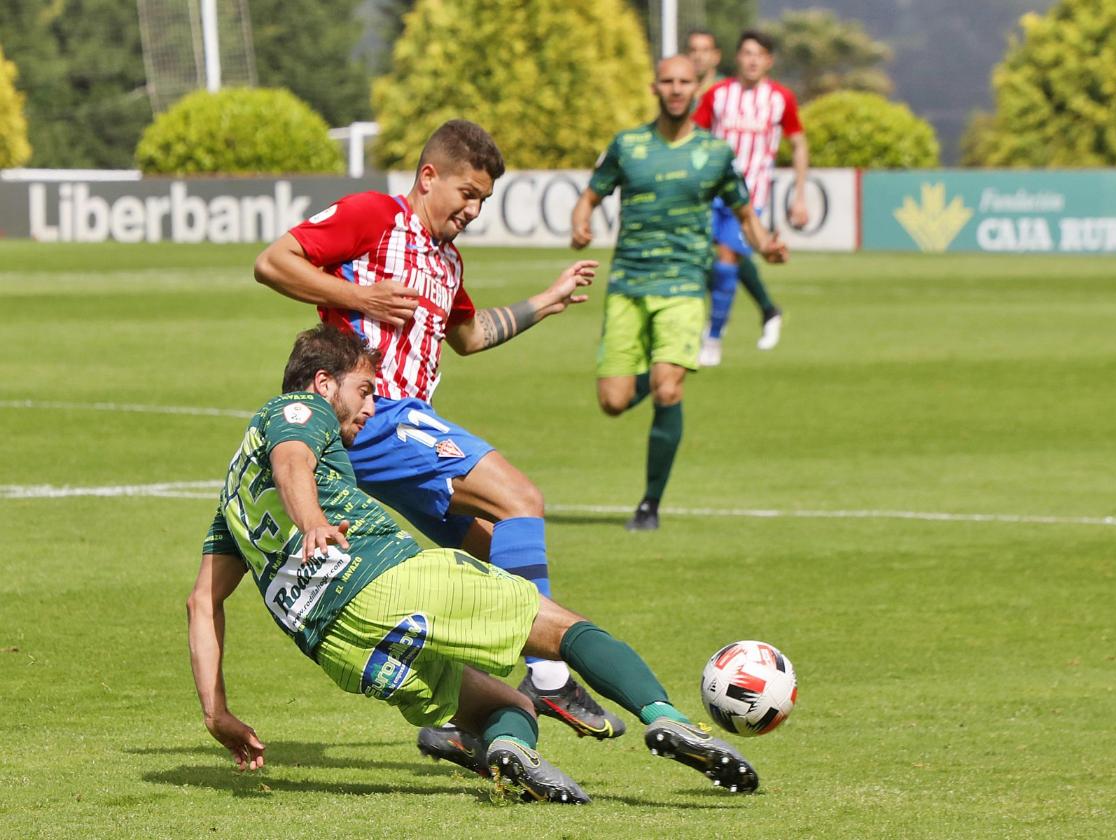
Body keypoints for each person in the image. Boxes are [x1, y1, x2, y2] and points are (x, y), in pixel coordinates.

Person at [187, 324, 760, 803]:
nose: (370, 405)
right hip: (386, 577)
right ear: (322, 382)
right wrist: (312, 519)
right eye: (363, 390)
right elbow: (294, 460)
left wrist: (217, 715)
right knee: (561, 628)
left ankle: (512, 750)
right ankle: (666, 716)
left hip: (342, 648)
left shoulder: (233, 496)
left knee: (505, 705)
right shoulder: (297, 409)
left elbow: (202, 602)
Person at [251, 120, 622, 763]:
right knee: (520, 498)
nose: (473, 211)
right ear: (429, 177)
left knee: (489, 554)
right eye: (467, 194)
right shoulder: (372, 216)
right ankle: (551, 678)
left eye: (483, 201)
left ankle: (466, 715)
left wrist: (548, 300)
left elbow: (471, 336)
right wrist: (355, 293)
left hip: (408, 429)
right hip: (376, 415)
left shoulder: (446, 260)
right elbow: (273, 261)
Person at [570, 56, 787, 531]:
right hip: (628, 282)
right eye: (667, 81)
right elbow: (590, 195)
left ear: (697, 89)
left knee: (669, 388)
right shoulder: (628, 145)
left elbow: (744, 212)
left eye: (684, 82)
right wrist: (581, 224)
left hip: (685, 283)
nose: (675, 89)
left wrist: (767, 246)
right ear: (655, 87)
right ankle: (663, 370)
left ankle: (649, 504)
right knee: (613, 401)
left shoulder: (715, 152)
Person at [693, 29, 809, 366]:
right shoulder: (717, 95)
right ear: (737, 58)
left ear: (769, 61)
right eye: (746, 53)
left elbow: (799, 142)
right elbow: (695, 136)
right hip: (709, 192)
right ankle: (767, 310)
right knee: (702, 261)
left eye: (759, 54)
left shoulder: (781, 99)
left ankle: (713, 337)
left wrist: (800, 196)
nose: (752, 59)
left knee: (727, 259)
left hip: (750, 197)